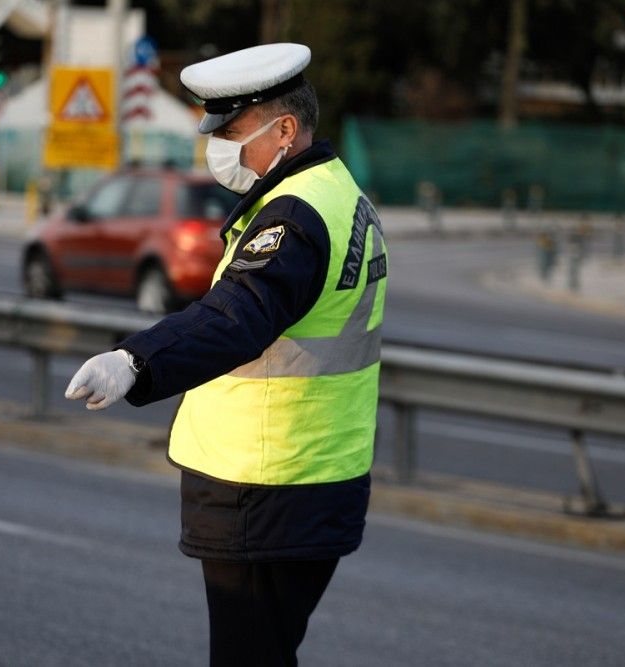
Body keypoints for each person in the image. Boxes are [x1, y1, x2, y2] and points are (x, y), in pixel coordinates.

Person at [65, 42, 388, 667]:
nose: (219, 149)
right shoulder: (338, 192)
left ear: (286, 130)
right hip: (315, 479)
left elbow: (235, 317)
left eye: (234, 131)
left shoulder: (295, 218)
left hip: (265, 485)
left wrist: (136, 361)